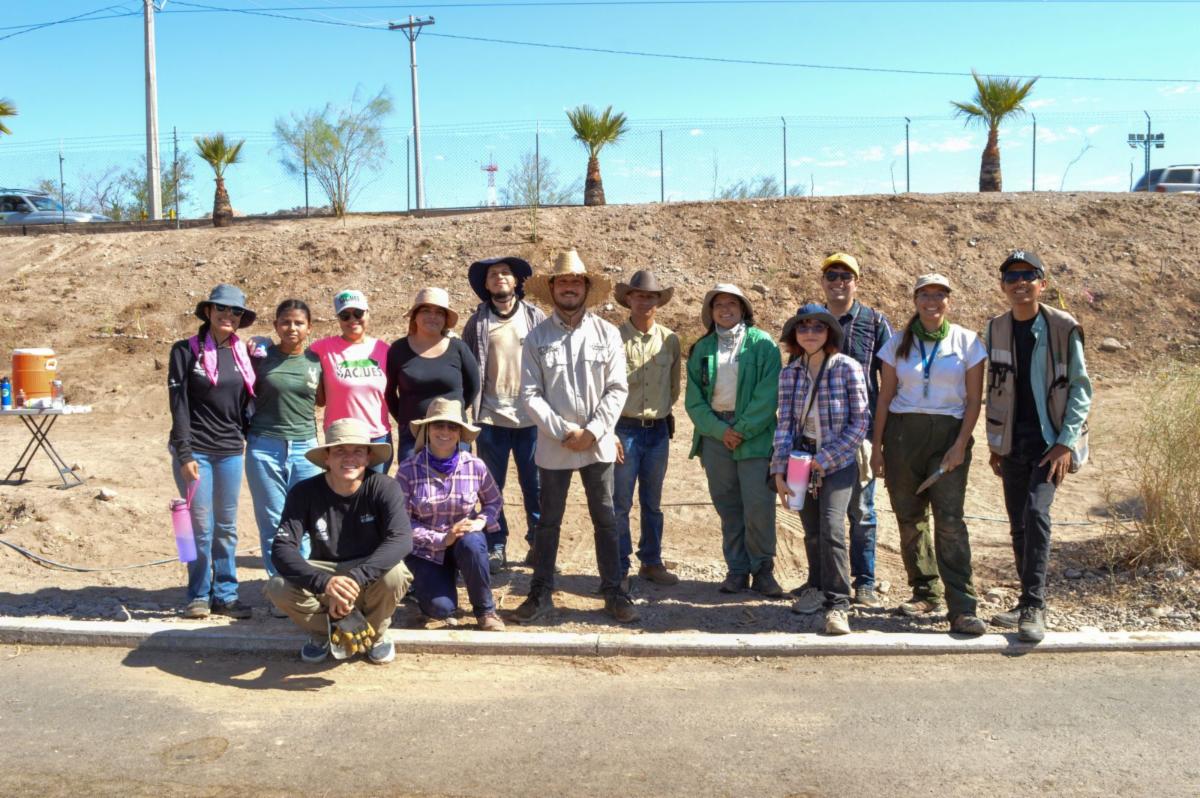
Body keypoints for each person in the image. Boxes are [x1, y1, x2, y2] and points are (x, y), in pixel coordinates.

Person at [512, 249, 638, 624]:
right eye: (563, 281)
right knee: (548, 521)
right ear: (552, 288)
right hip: (556, 446)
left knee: (607, 519)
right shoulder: (536, 338)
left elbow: (617, 388)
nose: (569, 287)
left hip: (597, 444)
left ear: (585, 287)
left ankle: (614, 592)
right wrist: (565, 431)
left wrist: (594, 431)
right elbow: (530, 394)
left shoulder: (607, 334)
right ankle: (540, 593)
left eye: (576, 282)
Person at [870, 274, 988, 636]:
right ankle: (925, 591)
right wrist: (877, 449)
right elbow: (885, 398)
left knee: (949, 520)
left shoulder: (967, 342)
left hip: (949, 435)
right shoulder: (897, 343)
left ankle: (962, 606)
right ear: (915, 300)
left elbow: (974, 401)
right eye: (925, 295)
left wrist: (960, 444)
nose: (932, 301)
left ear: (949, 301)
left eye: (940, 295)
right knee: (909, 517)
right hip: (903, 436)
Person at [984, 250, 1092, 643]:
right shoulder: (996, 328)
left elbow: (1080, 389)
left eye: (1028, 275)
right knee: (1018, 523)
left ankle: (1035, 604)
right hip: (1013, 440)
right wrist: (996, 443)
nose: (1020, 282)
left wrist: (1065, 443)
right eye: (1012, 276)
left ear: (1042, 284)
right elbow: (995, 388)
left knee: (1036, 513)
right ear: (1003, 286)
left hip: (1051, 442)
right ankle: (1024, 600)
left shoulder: (1063, 326)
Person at [268, 418, 414, 664]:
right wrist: (324, 582)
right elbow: (282, 548)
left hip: (367, 573)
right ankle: (325, 630)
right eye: (340, 451)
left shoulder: (384, 487)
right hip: (325, 570)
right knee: (277, 587)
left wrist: (355, 578)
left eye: (358, 451)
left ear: (368, 457)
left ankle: (375, 634)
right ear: (327, 457)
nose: (349, 458)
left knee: (396, 574)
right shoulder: (304, 492)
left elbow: (401, 539)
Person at [772, 304, 869, 635]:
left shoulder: (847, 368)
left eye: (818, 327)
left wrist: (825, 459)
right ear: (794, 335)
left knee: (832, 527)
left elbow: (860, 423)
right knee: (811, 529)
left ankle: (839, 602)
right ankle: (817, 586)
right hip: (801, 461)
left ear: (829, 332)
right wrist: (779, 470)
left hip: (838, 462)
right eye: (803, 327)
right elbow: (785, 425)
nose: (810, 333)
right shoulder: (790, 374)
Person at [685, 284, 783, 597]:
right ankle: (737, 570)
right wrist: (719, 430)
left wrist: (741, 429)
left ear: (743, 309)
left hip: (754, 436)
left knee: (758, 505)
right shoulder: (702, 349)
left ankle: (763, 570)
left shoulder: (763, 344)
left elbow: (768, 394)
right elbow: (694, 400)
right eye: (719, 305)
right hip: (716, 436)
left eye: (732, 304)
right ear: (710, 312)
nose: (725, 310)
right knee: (728, 505)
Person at [167, 284, 257, 620]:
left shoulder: (244, 354)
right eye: (221, 308)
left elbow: (247, 404)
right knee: (199, 528)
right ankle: (198, 594)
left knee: (226, 527)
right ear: (208, 311)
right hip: (197, 452)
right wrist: (185, 453)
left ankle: (226, 594)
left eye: (235, 311)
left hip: (231, 450)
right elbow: (178, 405)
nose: (227, 315)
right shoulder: (185, 351)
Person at [814, 252, 892, 609]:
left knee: (861, 510)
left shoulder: (874, 322)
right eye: (831, 276)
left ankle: (865, 581)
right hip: (818, 432)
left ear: (856, 282)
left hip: (861, 432)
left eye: (845, 276)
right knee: (821, 511)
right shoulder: (812, 321)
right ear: (823, 282)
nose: (838, 282)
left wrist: (882, 437)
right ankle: (824, 581)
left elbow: (889, 380)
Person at [462, 257, 547, 575]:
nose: (499, 277)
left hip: (531, 418)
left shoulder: (535, 317)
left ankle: (538, 542)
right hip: (490, 418)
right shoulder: (477, 323)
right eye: (493, 274)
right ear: (486, 285)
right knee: (491, 488)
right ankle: (496, 544)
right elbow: (468, 369)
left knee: (535, 486)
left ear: (516, 282)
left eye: (506, 273)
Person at [396, 398, 506, 631]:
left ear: (460, 433)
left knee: (473, 544)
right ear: (427, 430)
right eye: (439, 425)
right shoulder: (408, 470)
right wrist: (442, 539)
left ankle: (486, 611)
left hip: (464, 543)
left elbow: (494, 501)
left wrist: (481, 521)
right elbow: (402, 523)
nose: (445, 432)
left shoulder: (475, 466)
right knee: (441, 609)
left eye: (452, 427)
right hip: (425, 550)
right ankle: (430, 588)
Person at [244, 299, 323, 584]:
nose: (292, 328)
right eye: (285, 322)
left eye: (299, 323)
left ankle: (304, 584)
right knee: (273, 521)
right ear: (275, 325)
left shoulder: (317, 361)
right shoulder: (259, 357)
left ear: (309, 327)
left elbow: (322, 399)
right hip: (265, 446)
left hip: (306, 448)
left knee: (306, 519)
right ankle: (280, 587)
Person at [612, 270, 682, 588]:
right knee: (620, 503)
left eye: (651, 296)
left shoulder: (670, 340)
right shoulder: (612, 337)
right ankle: (619, 567)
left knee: (652, 503)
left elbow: (673, 387)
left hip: (657, 431)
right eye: (639, 295)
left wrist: (659, 411)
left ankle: (651, 562)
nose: (644, 301)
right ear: (629, 298)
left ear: (658, 301)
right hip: (623, 429)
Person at [385, 287, 480, 466]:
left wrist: (453, 410)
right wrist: (406, 420)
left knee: (457, 481)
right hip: (413, 434)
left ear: (445, 319)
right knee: (413, 481)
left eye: (439, 312)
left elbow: (473, 387)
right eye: (426, 310)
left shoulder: (458, 348)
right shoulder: (398, 349)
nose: (432, 316)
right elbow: (389, 393)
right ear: (415, 316)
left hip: (453, 432)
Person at [309, 290, 392, 474]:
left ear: (368, 313)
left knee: (374, 490)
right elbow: (292, 353)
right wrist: (264, 342)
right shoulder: (322, 348)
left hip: (376, 437)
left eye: (358, 313)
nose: (352, 320)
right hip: (340, 438)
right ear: (338, 319)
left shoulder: (384, 349)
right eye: (345, 315)